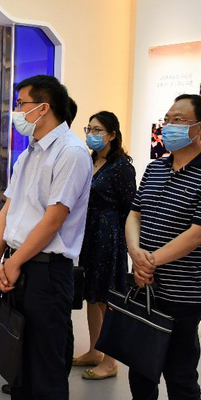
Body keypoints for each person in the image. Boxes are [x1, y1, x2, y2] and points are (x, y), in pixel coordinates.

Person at [101, 94, 201, 400]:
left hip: (182, 290)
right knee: (140, 355)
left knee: (179, 370)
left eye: (178, 120)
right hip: (145, 282)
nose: (168, 125)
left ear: (200, 128)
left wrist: (151, 261)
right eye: (167, 118)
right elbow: (134, 214)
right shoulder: (156, 167)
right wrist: (136, 253)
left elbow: (198, 233)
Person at [0, 75, 92, 400]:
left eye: (21, 103)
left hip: (47, 270)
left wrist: (14, 263)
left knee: (47, 366)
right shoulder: (29, 153)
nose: (17, 111)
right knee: (19, 356)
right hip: (17, 263)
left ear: (43, 108)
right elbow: (8, 208)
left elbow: (54, 219)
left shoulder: (72, 153)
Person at [73, 111, 136, 380]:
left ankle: (111, 361)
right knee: (92, 295)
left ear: (112, 134)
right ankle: (94, 350)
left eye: (98, 130)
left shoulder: (122, 167)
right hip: (88, 234)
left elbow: (131, 208)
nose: (91, 134)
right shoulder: (89, 161)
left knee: (108, 299)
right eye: (89, 129)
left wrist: (127, 244)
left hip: (109, 237)